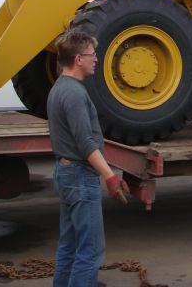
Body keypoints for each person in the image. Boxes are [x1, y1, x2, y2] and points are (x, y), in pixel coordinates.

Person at [47, 30, 130, 287]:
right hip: (80, 177)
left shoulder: (60, 88)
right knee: (90, 249)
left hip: (68, 174)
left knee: (70, 244)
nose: (96, 59)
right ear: (78, 59)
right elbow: (85, 143)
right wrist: (110, 176)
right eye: (92, 55)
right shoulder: (73, 93)